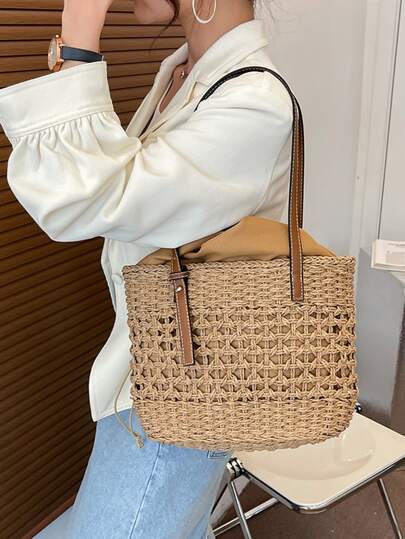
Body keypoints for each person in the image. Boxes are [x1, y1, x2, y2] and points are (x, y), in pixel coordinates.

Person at [0, 0, 293, 537]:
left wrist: (79, 35)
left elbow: (85, 199)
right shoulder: (185, 74)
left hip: (186, 391)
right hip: (153, 365)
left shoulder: (254, 100)